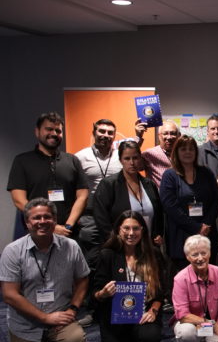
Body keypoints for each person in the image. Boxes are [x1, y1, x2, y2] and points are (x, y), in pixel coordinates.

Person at [0, 198, 89, 342]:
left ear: (55, 220)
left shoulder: (71, 246)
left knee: (76, 340)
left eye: (47, 217)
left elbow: (82, 280)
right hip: (26, 322)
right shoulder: (12, 251)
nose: (42, 221)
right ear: (27, 222)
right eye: (36, 218)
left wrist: (73, 309)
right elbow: (9, 295)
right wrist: (45, 318)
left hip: (60, 316)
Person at [91, 212, 165, 342]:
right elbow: (93, 294)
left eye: (135, 228)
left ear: (143, 230)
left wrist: (153, 311)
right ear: (119, 230)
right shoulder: (107, 255)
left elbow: (161, 291)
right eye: (126, 228)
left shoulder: (153, 254)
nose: (131, 233)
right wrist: (102, 293)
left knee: (150, 336)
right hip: (115, 321)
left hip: (142, 316)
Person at [7, 112, 89, 240]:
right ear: (37, 131)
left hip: (69, 233)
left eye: (58, 131)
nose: (54, 133)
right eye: (49, 129)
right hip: (36, 233)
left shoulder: (73, 160)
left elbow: (82, 195)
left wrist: (68, 226)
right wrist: (50, 226)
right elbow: (19, 200)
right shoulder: (22, 161)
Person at [160, 135, 218, 275]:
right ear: (176, 152)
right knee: (184, 278)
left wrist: (206, 224)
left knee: (209, 276)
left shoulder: (206, 173)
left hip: (207, 233)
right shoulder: (169, 175)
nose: (188, 152)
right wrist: (196, 227)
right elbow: (170, 206)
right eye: (183, 149)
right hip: (181, 235)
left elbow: (216, 200)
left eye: (191, 149)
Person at [93, 140, 164, 246]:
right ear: (120, 160)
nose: (132, 163)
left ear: (140, 158)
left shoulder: (149, 184)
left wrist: (158, 234)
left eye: (135, 158)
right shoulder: (109, 185)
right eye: (127, 158)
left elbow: (159, 214)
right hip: (121, 246)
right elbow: (101, 218)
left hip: (148, 246)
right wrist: (114, 240)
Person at [74, 119, 123, 261]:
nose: (106, 135)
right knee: (90, 257)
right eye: (102, 131)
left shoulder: (120, 156)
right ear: (94, 133)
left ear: (114, 136)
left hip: (115, 215)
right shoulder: (80, 157)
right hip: (90, 216)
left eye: (110, 133)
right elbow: (73, 188)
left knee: (116, 255)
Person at [141, 120, 180, 187]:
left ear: (179, 135)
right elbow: (133, 165)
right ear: (159, 135)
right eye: (165, 133)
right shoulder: (149, 154)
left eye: (173, 133)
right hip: (158, 193)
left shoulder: (184, 154)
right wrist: (138, 137)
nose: (169, 137)